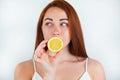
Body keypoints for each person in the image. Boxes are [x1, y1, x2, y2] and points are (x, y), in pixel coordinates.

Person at [14, 0, 106, 80]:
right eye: (49, 23)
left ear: (74, 29)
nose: (56, 31)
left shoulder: (94, 69)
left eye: (63, 24)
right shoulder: (23, 69)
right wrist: (48, 75)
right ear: (41, 28)